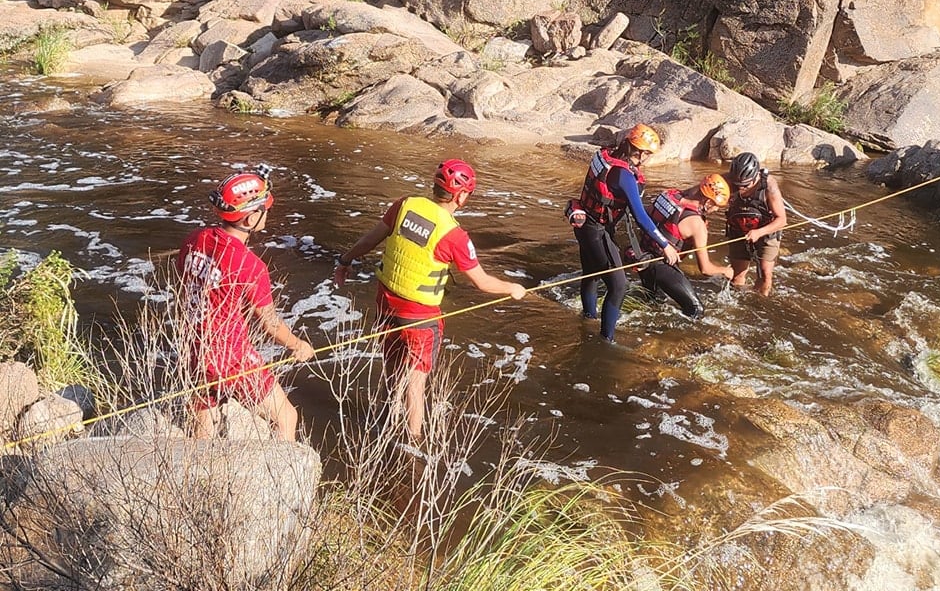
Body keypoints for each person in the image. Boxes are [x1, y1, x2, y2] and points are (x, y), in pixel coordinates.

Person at [333, 158, 526, 441]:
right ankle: (414, 440)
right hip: (420, 316)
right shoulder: (454, 235)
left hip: (386, 300)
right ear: (460, 195)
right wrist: (513, 288)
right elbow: (482, 282)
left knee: (393, 365)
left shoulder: (404, 205)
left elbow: (369, 239)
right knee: (416, 380)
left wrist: (344, 260)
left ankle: (389, 418)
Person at [177, 167, 315, 441]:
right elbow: (271, 325)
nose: (268, 213)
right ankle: (282, 478)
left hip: (194, 347)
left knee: (203, 419)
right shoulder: (251, 266)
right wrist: (298, 345)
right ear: (251, 217)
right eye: (265, 209)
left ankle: (196, 472)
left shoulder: (195, 240)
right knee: (286, 417)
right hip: (232, 357)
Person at [565, 124, 681, 342]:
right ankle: (606, 339)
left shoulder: (607, 154)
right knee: (619, 286)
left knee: (591, 273)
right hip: (596, 230)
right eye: (649, 154)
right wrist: (665, 244)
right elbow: (640, 216)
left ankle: (588, 318)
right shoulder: (623, 176)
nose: (648, 159)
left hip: (585, 223)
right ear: (641, 152)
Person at [631, 174, 733, 318]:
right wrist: (725, 271)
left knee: (654, 306)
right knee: (696, 310)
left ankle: (654, 338)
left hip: (642, 257)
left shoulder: (668, 195)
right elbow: (705, 269)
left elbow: (644, 217)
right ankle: (677, 340)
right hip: (660, 266)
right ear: (708, 202)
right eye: (716, 206)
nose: (716, 210)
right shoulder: (697, 224)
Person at [725, 152, 787, 296]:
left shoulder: (769, 187)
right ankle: (738, 302)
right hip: (739, 230)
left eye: (745, 185)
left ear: (755, 177)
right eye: (737, 185)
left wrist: (759, 232)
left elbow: (782, 220)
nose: (740, 188)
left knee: (765, 274)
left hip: (766, 231)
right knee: (737, 275)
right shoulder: (728, 179)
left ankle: (760, 303)